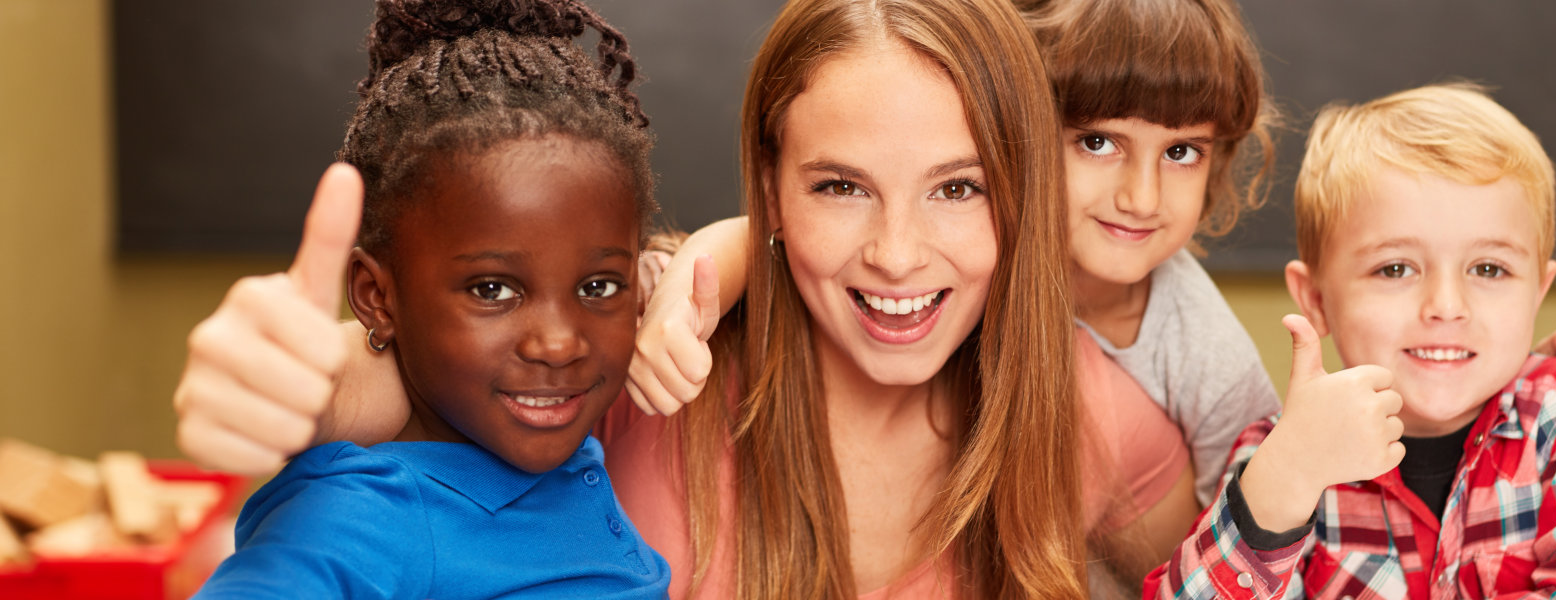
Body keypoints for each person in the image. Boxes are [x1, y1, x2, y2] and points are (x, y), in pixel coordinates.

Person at [177, 0, 1198, 598]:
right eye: (841, 186)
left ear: (1022, 194)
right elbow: (414, 391)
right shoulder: (650, 351)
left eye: (959, 187)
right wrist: (303, 394)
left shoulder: (1092, 418)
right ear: (772, 194)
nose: (897, 255)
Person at [627, 0, 1556, 513]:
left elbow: (1277, 510)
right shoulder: (953, 241)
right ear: (1020, 138)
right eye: (1095, 143)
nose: (1137, 194)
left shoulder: (1191, 343)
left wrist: (1537, 392)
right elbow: (775, 239)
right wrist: (688, 286)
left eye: (1180, 154)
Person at [191, 1, 669, 598]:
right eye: (492, 290)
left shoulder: (566, 461)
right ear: (376, 298)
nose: (560, 342)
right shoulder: (362, 517)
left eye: (597, 287)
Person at [1148, 83, 1556, 598]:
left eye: (1489, 268)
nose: (1445, 305)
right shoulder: (1278, 454)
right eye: (1395, 268)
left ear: (1537, 293)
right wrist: (1284, 483)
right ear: (1317, 300)